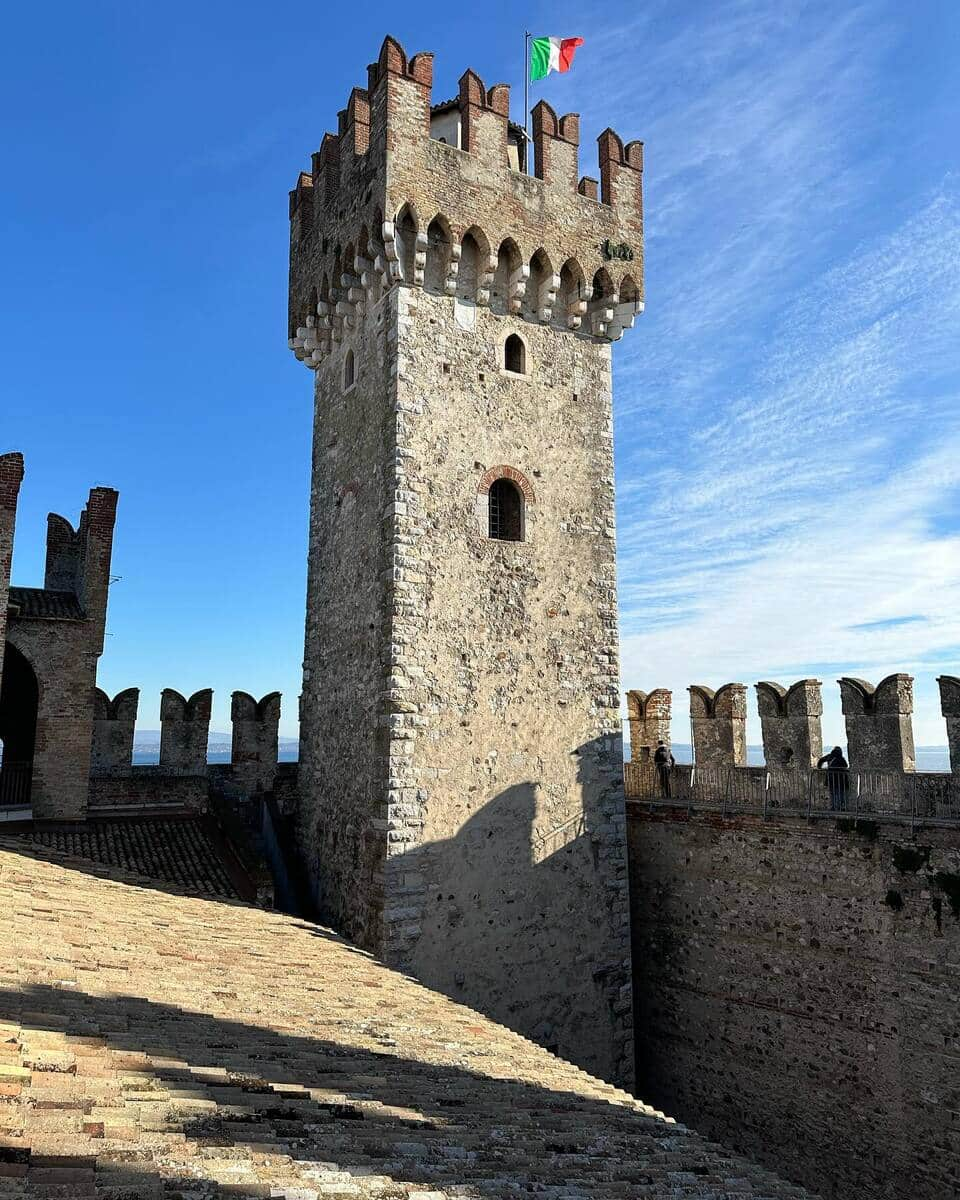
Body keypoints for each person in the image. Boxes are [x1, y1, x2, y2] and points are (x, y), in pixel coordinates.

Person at [817, 746, 849, 812]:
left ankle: (833, 808)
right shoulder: (841, 758)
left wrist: (819, 768)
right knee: (841, 794)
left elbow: (821, 760)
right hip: (841, 780)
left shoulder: (830, 756)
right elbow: (846, 766)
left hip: (831, 779)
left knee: (833, 794)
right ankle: (840, 807)